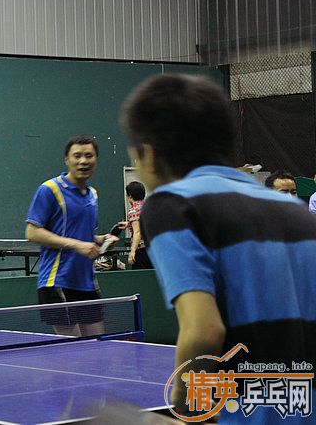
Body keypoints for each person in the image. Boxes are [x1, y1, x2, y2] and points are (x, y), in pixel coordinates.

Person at [121, 74, 316, 422]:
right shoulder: (297, 212)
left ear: (148, 156)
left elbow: (203, 331)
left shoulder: (172, 205)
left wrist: (184, 405)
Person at [24, 135, 119, 337]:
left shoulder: (92, 194)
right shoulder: (49, 190)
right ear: (67, 160)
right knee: (72, 351)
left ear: (96, 160)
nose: (83, 161)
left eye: (89, 156)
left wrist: (101, 240)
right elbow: (32, 232)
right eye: (77, 156)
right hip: (57, 281)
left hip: (87, 282)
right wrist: (77, 245)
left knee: (96, 346)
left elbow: (83, 235)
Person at [123, 181, 152, 269]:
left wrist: (133, 251)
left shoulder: (133, 210)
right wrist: (129, 224)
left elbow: (138, 232)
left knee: (140, 276)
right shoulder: (149, 206)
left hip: (141, 251)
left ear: (130, 196)